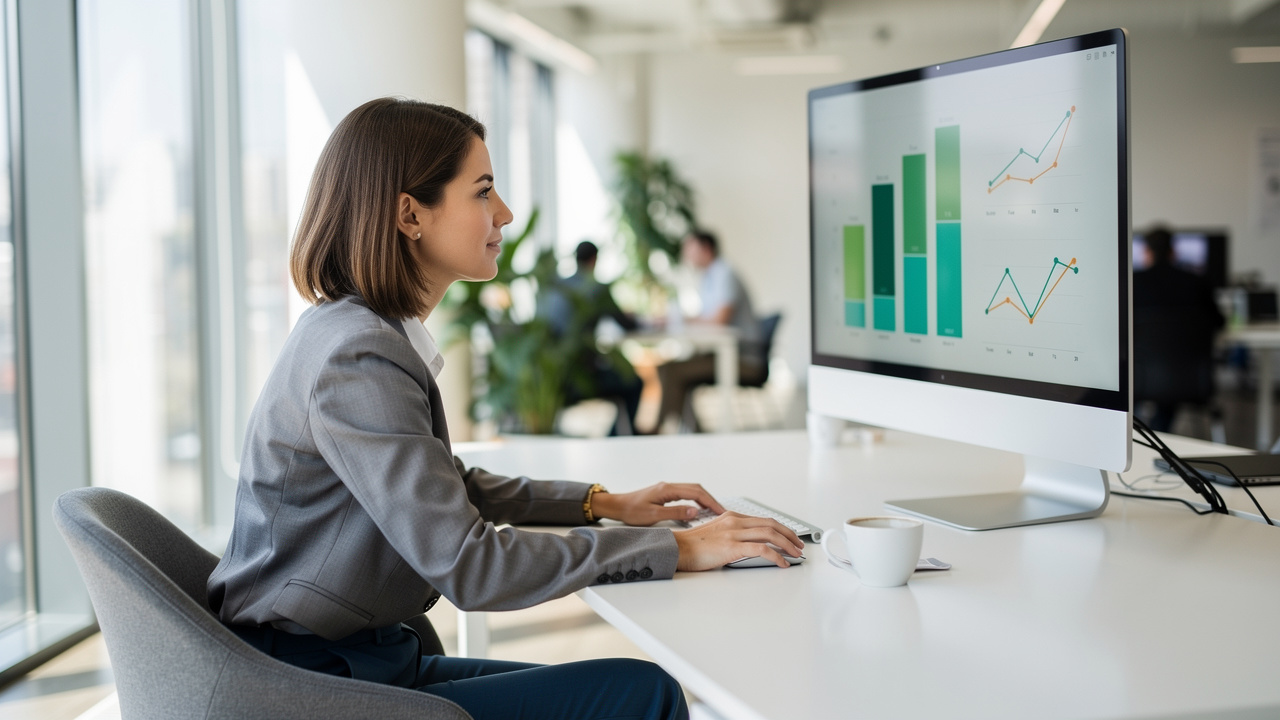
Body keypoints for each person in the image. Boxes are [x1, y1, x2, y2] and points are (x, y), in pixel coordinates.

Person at [205, 97, 803, 720]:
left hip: (357, 656)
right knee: (643, 695)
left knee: (626, 689)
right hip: (307, 686)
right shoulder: (359, 357)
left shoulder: (351, 330)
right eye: (483, 191)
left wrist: (604, 504)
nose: (506, 213)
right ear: (410, 214)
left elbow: (444, 489)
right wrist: (677, 549)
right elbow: (472, 565)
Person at [653, 230, 765, 432]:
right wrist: (677, 319)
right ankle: (693, 431)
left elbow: (719, 320)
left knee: (672, 370)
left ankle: (661, 428)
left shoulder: (725, 273)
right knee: (669, 368)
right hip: (723, 353)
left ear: (706, 248)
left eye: (690, 248)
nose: (686, 254)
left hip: (742, 358)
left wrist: (684, 320)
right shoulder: (709, 277)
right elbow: (706, 318)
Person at [539, 240, 644, 435]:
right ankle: (619, 437)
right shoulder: (595, 288)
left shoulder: (553, 286)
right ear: (594, 260)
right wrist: (636, 318)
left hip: (549, 379)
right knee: (634, 383)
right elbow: (626, 324)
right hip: (581, 378)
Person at [1133, 226, 1225, 432]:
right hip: (1190, 382)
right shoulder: (1198, 282)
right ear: (1173, 252)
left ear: (1146, 252)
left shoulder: (1132, 283)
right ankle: (1161, 432)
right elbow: (1219, 322)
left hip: (1140, 381)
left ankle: (1139, 434)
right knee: (1169, 380)